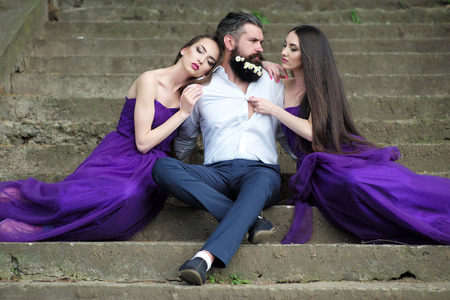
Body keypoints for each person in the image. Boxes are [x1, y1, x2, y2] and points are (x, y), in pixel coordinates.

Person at [0, 35, 222, 242]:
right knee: (96, 196)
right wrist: (183, 113)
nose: (201, 60)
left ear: (207, 71)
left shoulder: (189, 95)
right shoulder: (150, 80)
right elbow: (142, 143)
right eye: (199, 51)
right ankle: (16, 203)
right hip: (121, 155)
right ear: (184, 50)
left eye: (209, 61)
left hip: (153, 170)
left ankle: (46, 230)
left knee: (124, 213)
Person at [250, 25, 450, 245]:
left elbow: (311, 132)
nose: (284, 52)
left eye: (293, 48)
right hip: (317, 169)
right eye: (284, 45)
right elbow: (238, 64)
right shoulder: (279, 85)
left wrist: (274, 109)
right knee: (352, 184)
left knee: (387, 183)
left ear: (309, 55)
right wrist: (264, 63)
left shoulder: (320, 88)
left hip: (337, 156)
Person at [151, 12, 285, 285]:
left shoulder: (273, 81)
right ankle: (252, 219)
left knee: (259, 184)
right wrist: (182, 176)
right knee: (162, 167)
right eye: (254, 41)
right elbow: (186, 141)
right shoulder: (202, 88)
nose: (261, 47)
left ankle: (204, 258)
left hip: (261, 172)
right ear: (230, 42)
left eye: (262, 42)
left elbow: (288, 134)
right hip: (217, 175)